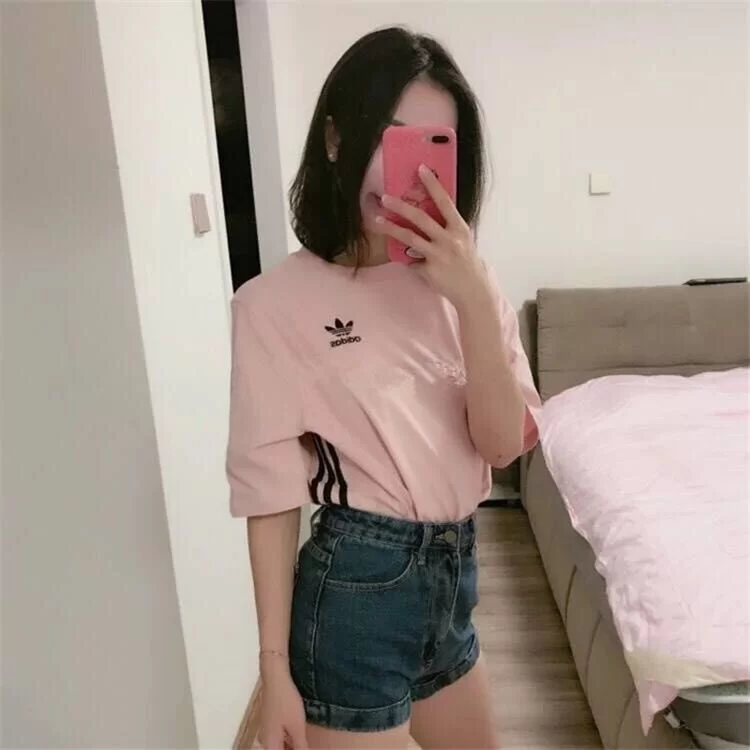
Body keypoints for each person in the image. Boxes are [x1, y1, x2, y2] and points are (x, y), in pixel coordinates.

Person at [226, 26, 540, 750]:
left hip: (453, 585)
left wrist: (471, 299)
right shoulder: (272, 305)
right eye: (387, 138)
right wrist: (273, 668)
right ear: (336, 139)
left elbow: (500, 446)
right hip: (355, 592)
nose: (405, 170)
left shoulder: (469, 283)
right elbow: (270, 496)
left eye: (433, 147)